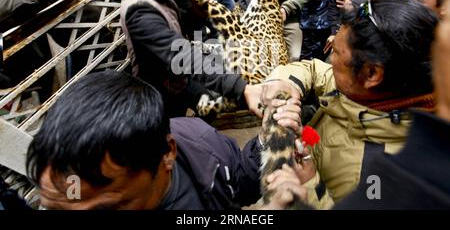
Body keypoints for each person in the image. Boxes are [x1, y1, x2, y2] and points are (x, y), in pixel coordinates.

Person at [244, 0, 439, 208]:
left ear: (372, 73)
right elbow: (315, 70)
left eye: (336, 53)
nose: (330, 59)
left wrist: (310, 185)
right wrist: (286, 84)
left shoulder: (383, 175)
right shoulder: (363, 91)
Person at [26, 70, 301, 210]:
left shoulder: (201, 142)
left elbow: (239, 182)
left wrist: (267, 143)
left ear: (167, 154)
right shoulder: (70, 185)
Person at [120, 0, 256, 117]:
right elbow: (183, 55)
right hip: (160, 94)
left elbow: (179, 25)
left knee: (209, 110)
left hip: (179, 79)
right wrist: (242, 88)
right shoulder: (139, 11)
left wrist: (196, 12)